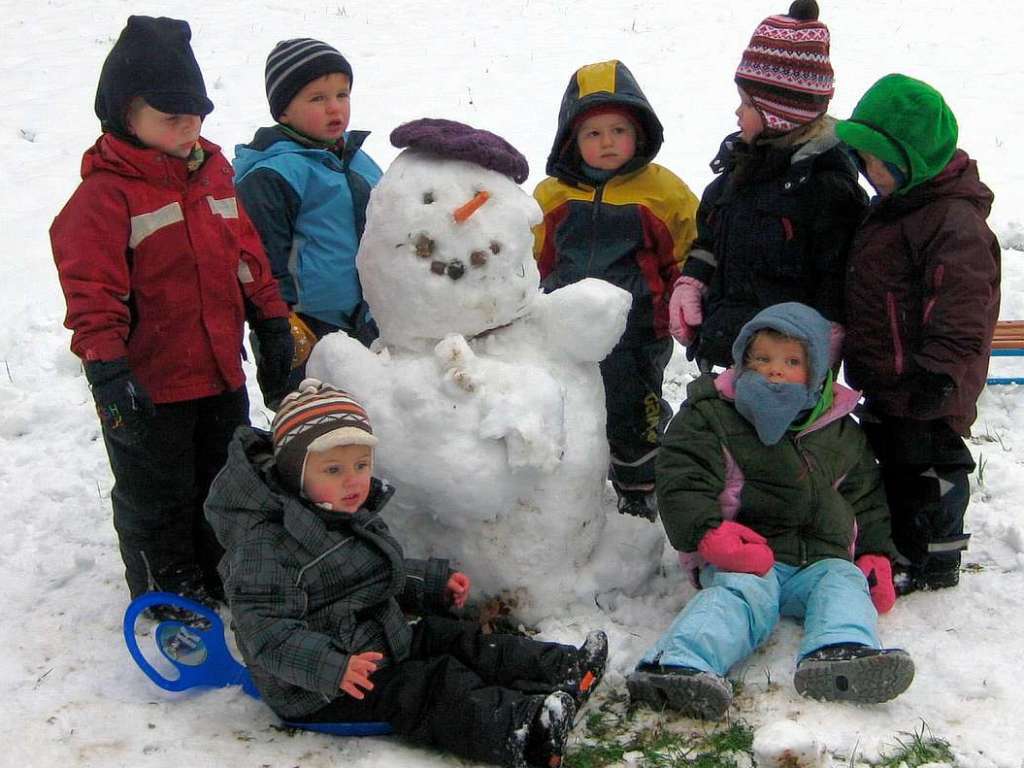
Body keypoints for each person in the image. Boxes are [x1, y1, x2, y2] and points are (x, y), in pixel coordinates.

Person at [205, 379, 609, 767]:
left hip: (376, 639)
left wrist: (432, 585)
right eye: (333, 470)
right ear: (295, 473)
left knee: (454, 638)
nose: (353, 481)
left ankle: (564, 669)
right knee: (430, 686)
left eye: (361, 464)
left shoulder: (337, 511)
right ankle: (525, 732)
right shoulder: (263, 548)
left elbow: (377, 573)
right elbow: (267, 635)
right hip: (324, 686)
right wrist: (332, 668)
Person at [49, 16, 293, 620]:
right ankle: (166, 587)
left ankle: (217, 564)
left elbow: (246, 255)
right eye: (169, 116)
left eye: (195, 113)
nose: (188, 127)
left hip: (218, 371)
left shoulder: (214, 174)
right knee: (157, 493)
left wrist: (268, 319)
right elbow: (93, 296)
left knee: (223, 479)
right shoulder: (104, 199)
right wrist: (108, 373)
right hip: (149, 384)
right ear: (124, 116)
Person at [626, 303, 914, 719]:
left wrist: (874, 554)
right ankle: (678, 662)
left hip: (819, 558)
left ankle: (841, 651)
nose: (775, 370)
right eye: (762, 359)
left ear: (816, 371)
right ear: (743, 361)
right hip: (745, 552)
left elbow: (864, 496)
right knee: (742, 597)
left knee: (843, 582)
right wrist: (709, 535)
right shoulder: (713, 415)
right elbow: (683, 478)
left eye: (792, 361)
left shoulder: (839, 430)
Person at [835, 74, 1001, 595]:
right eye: (863, 158)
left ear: (915, 160)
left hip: (930, 379)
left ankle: (935, 556)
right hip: (890, 375)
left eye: (879, 160)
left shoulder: (953, 222)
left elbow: (963, 308)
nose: (869, 170)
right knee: (894, 460)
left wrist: (940, 370)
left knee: (932, 467)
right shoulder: (898, 206)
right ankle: (900, 541)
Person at [533, 59, 699, 520]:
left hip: (638, 333)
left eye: (618, 130)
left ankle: (637, 484)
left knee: (632, 411)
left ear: (639, 131)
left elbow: (687, 252)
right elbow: (531, 258)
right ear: (572, 139)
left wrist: (677, 305)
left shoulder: (663, 193)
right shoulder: (553, 195)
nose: (607, 142)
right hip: (566, 335)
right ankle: (573, 485)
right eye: (593, 133)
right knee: (571, 408)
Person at [668, 0, 866, 370]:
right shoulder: (736, 172)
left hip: (787, 365)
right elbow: (709, 240)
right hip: (727, 348)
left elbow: (837, 275)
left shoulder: (826, 191)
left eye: (747, 103)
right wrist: (692, 282)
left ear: (780, 115)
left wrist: (830, 329)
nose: (737, 113)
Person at [234, 38, 383, 388]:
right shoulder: (273, 174)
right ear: (283, 111)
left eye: (342, 95)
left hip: (367, 319)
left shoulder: (359, 161)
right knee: (319, 430)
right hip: (303, 328)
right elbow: (262, 259)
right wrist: (278, 325)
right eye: (318, 98)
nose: (335, 109)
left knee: (378, 420)